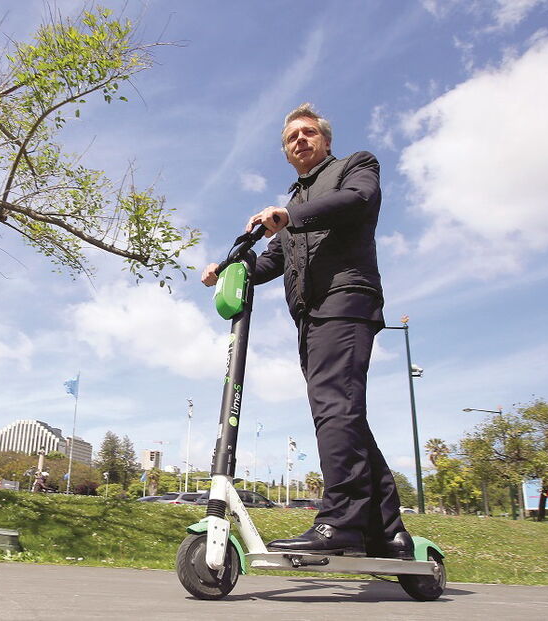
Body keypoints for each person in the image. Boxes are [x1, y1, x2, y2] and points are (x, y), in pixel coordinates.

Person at [201, 103, 412, 559]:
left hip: (345, 300)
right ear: (286, 152)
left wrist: (290, 217)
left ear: (325, 140)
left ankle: (341, 521)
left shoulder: (356, 167)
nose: (299, 140)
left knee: (335, 408)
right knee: (344, 413)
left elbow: (358, 201)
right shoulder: (295, 204)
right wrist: (229, 267)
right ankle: (388, 531)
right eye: (291, 137)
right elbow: (274, 261)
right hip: (311, 315)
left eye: (308, 132)